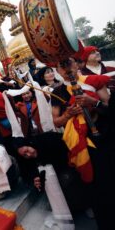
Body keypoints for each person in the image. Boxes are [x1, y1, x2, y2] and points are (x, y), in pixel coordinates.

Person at [51, 57, 114, 229]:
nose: (66, 68)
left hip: (107, 138)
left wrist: (93, 102)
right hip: (85, 146)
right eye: (60, 65)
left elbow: (109, 108)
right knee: (96, 188)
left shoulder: (93, 82)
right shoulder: (57, 92)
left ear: (77, 64)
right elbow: (56, 122)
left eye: (68, 62)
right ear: (57, 71)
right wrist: (68, 114)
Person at [12, 132, 90, 211]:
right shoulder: (29, 160)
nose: (28, 155)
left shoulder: (48, 140)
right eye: (25, 155)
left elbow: (66, 156)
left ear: (30, 143)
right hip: (57, 172)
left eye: (27, 150)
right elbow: (32, 173)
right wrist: (36, 179)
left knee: (66, 179)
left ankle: (85, 205)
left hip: (70, 164)